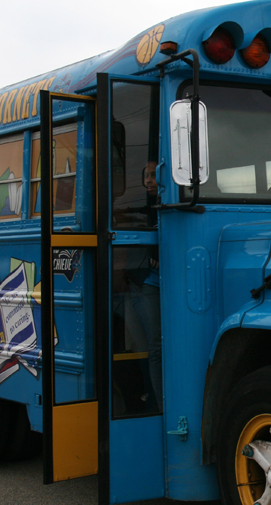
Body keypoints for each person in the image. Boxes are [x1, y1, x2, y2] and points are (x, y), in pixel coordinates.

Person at [125, 161, 162, 408]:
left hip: (166, 283)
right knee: (156, 348)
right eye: (145, 176)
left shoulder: (166, 204)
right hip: (147, 283)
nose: (148, 181)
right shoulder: (144, 208)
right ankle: (160, 405)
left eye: (154, 175)